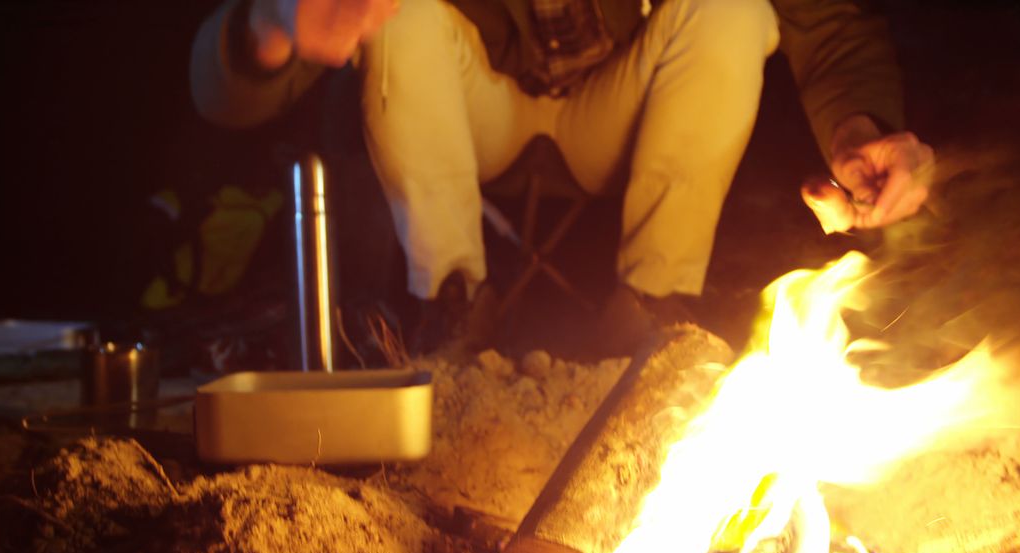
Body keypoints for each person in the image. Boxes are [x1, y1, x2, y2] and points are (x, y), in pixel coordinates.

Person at [190, 0, 934, 353]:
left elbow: (827, 21)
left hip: (620, 110)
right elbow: (221, 91)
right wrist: (273, 24)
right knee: (403, 12)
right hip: (475, 103)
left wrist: (858, 133)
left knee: (732, 10)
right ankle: (449, 306)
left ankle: (655, 309)